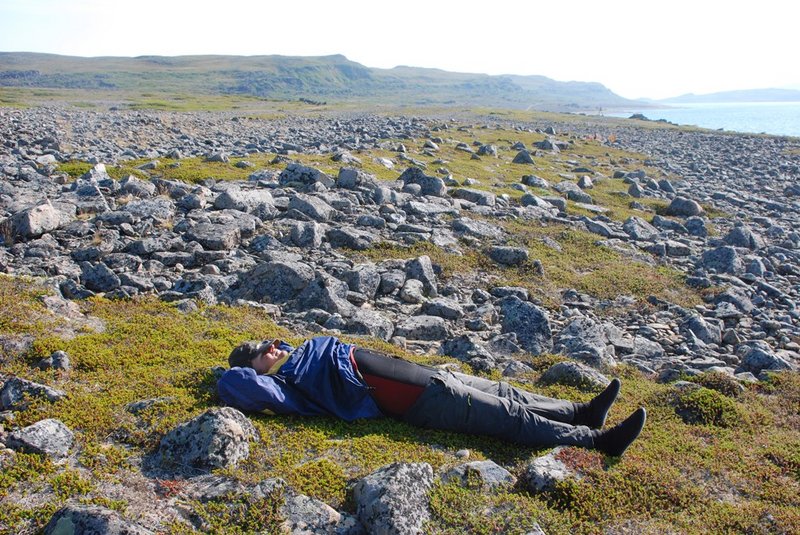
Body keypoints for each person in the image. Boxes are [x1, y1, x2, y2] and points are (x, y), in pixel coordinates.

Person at [217, 336, 646, 456]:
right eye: (260, 353)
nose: (270, 348)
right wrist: (229, 370)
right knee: (507, 416)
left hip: (428, 377)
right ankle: (598, 442)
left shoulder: (298, 356)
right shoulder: (283, 386)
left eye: (266, 343)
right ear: (248, 367)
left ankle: (581, 413)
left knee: (502, 390)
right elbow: (234, 387)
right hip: (420, 402)